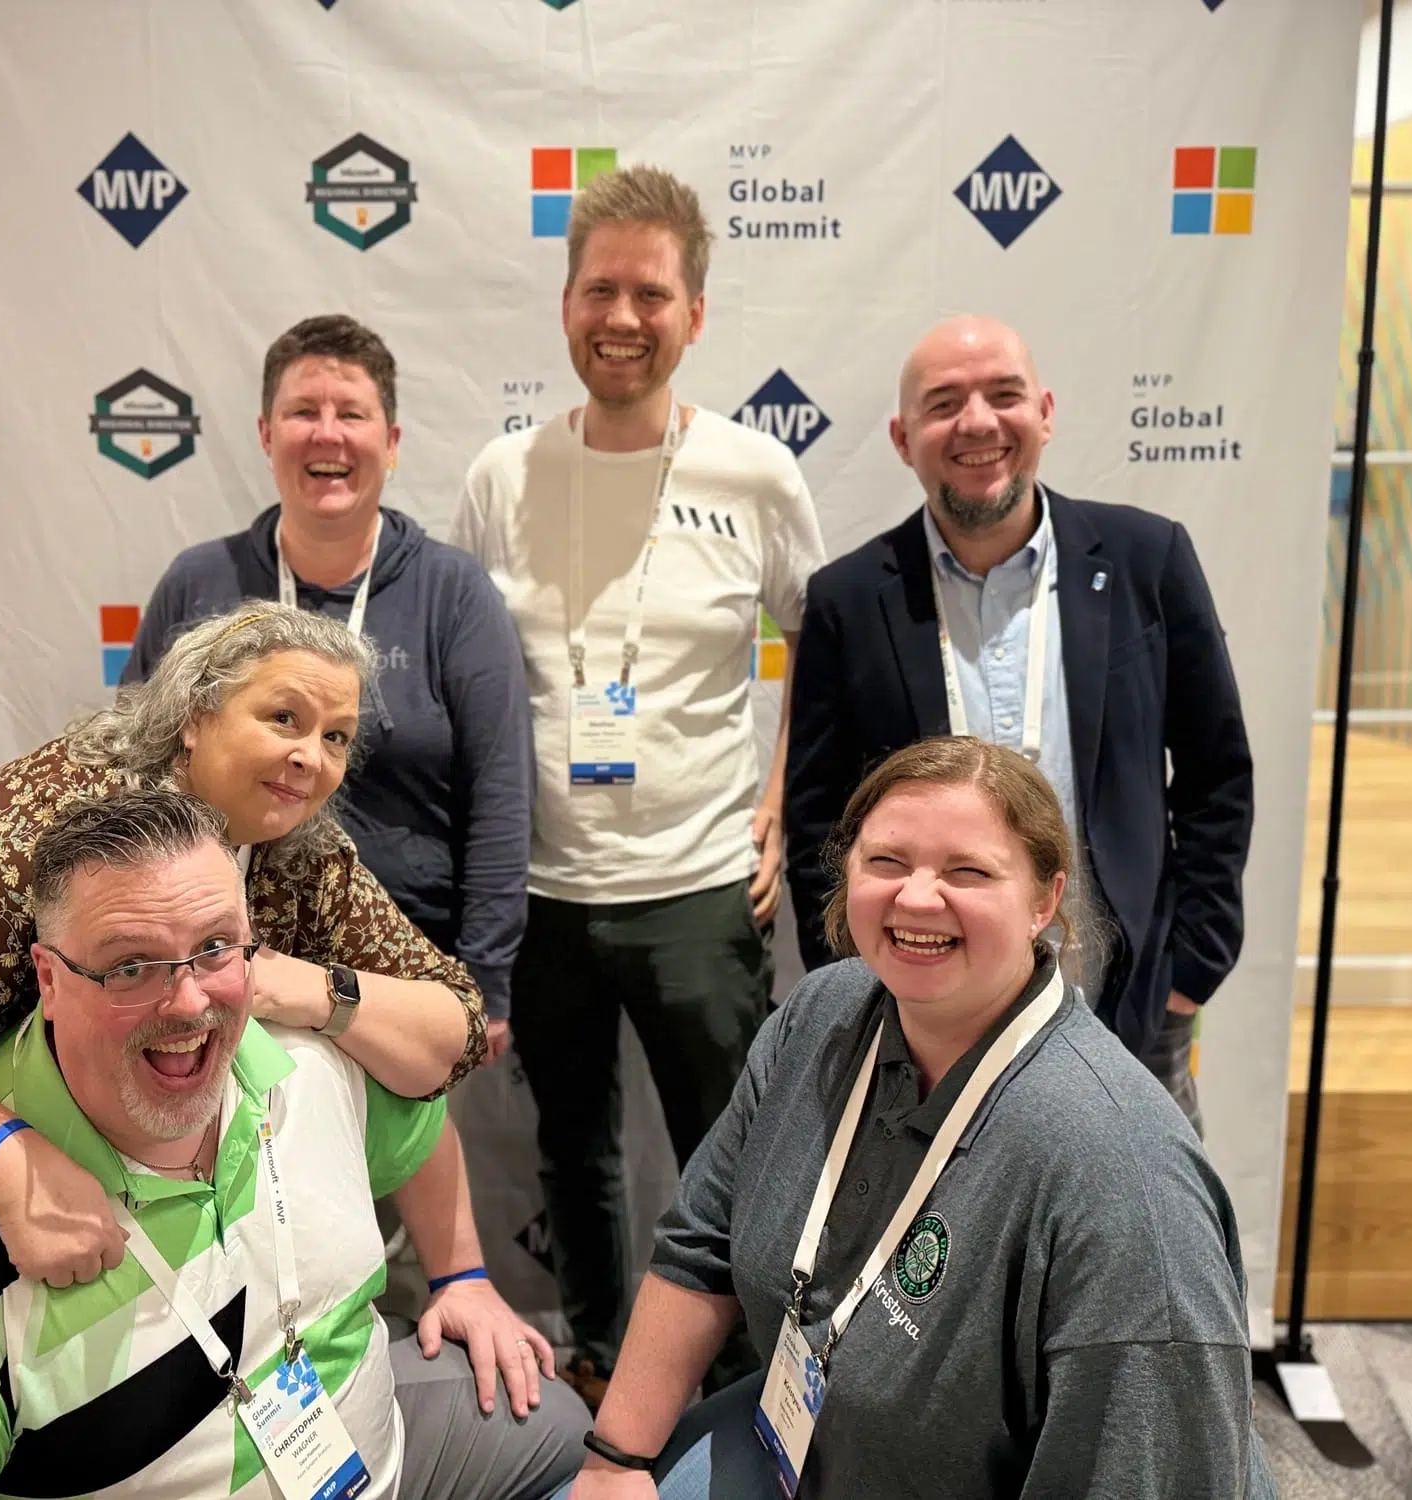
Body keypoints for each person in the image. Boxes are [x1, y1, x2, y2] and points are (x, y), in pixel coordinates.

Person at [0, 788, 589, 1499]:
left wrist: (466, 1275)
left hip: (360, 1454)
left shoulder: (313, 1070)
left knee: (554, 1423)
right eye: (131, 965)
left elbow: (419, 1121)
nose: (186, 1003)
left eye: (215, 948)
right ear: (47, 977)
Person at [559, 738, 1276, 1499]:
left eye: (968, 872)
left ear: (1043, 901)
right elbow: (701, 1244)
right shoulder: (821, 1016)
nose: (917, 899)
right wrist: (615, 1460)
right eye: (887, 862)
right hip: (805, 1447)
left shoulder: (1120, 1177)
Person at [0, 602, 488, 1281]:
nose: (311, 756)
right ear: (195, 719)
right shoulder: (51, 823)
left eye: (335, 737)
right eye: (283, 718)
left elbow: (453, 1022)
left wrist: (308, 988)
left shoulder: (299, 847)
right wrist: (15, 1171)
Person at [454, 164, 827, 1404]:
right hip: (545, 891)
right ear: (564, 302)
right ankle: (606, 1360)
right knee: (573, 1153)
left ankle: (726, 1382)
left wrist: (779, 800)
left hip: (700, 886)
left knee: (728, 1151)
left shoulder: (755, 475)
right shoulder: (499, 477)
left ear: (694, 314)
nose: (622, 316)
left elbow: (825, 657)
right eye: (598, 288)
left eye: (649, 293)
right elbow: (466, 678)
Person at [784, 315, 1252, 1133]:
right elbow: (819, 823)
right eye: (943, 404)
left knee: (1139, 1249)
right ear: (903, 437)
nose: (976, 423)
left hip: (1126, 1013)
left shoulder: (1149, 561)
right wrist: (869, 984)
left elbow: (1217, 773)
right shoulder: (849, 601)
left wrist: (1188, 969)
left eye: (1003, 396)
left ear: (1044, 413)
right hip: (927, 1020)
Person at [122, 314, 532, 1064]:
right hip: (205, 964)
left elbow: (500, 796)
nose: (327, 434)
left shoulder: (454, 593)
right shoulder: (199, 584)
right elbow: (131, 774)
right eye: (303, 412)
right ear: (266, 434)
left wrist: (486, 983)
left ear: (393, 442)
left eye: (352, 414)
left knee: (396, 1175)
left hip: (403, 968)